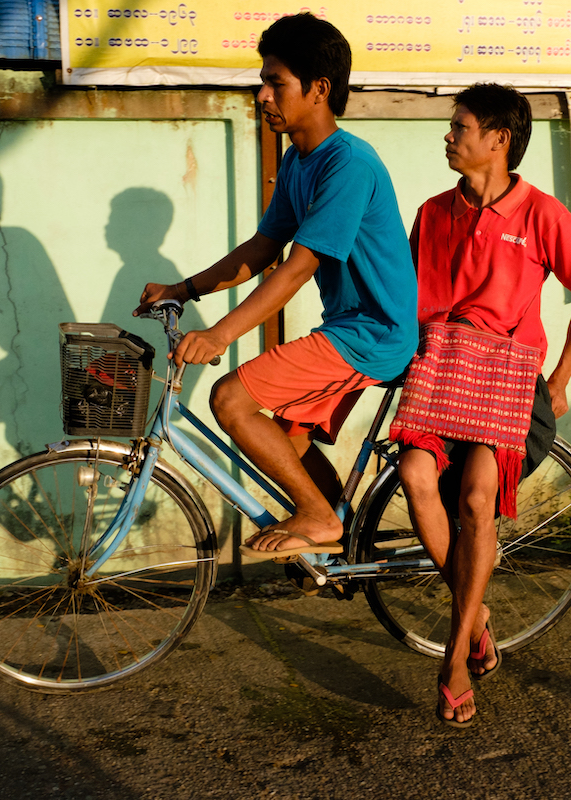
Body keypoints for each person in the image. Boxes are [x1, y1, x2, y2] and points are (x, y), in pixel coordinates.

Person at [134, 13, 417, 558]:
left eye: (275, 83)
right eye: (262, 81)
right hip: (348, 327)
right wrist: (182, 289)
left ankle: (318, 518)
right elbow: (265, 248)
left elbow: (298, 266)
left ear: (319, 90)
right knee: (288, 443)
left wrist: (219, 335)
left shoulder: (348, 164)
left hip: (373, 333)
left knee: (230, 398)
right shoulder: (298, 161)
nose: (262, 95)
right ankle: (338, 544)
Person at [390, 84, 571, 727]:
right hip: (439, 363)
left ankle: (456, 658)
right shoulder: (433, 213)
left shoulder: (542, 213)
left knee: (478, 499)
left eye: (459, 126)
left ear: (498, 140)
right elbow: (405, 297)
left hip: (507, 374)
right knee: (414, 474)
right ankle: (476, 612)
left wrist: (561, 377)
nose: (448, 136)